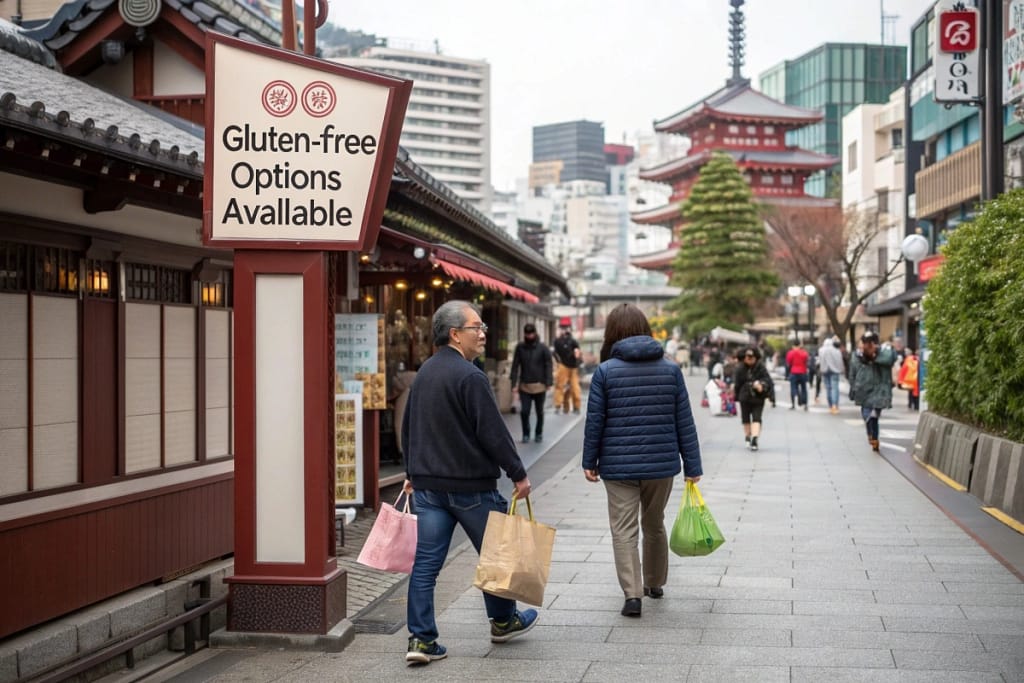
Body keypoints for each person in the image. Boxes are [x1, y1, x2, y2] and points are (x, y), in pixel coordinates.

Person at [401, 300, 538, 666]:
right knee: (495, 555)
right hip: (470, 487)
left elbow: (408, 427)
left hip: (429, 489)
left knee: (426, 564)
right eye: (476, 327)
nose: (483, 333)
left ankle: (421, 639)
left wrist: (411, 473)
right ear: (454, 334)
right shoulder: (470, 376)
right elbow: (493, 432)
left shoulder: (425, 373)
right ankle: (504, 621)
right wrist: (518, 473)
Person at [581, 304, 702, 619]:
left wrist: (589, 460)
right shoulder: (670, 369)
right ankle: (655, 582)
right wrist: (693, 466)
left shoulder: (605, 371)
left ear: (612, 334)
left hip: (617, 465)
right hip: (661, 464)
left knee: (623, 529)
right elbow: (684, 421)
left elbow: (595, 421)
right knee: (654, 523)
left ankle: (632, 596)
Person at [849, 330, 896, 453]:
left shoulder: (884, 354)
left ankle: (875, 438)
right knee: (867, 415)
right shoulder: (858, 356)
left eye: (871, 343)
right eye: (865, 343)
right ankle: (871, 435)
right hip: (864, 390)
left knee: (874, 415)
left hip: (879, 390)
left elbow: (891, 358)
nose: (868, 346)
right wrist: (853, 387)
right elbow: (853, 372)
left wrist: (876, 354)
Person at [510, 323, 553, 443]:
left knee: (540, 411)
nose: (529, 336)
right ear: (524, 334)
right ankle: (526, 433)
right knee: (524, 411)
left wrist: (549, 381)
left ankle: (538, 433)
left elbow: (548, 365)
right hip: (524, 385)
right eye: (527, 334)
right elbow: (515, 366)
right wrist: (513, 384)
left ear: (535, 333)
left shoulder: (543, 348)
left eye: (531, 333)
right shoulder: (520, 347)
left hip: (540, 385)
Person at [733, 346, 775, 451]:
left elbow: (768, 381)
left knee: (757, 418)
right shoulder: (740, 368)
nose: (750, 359)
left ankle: (754, 439)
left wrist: (762, 385)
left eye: (752, 357)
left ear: (756, 357)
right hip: (744, 397)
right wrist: (736, 397)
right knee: (745, 418)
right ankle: (748, 436)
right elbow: (737, 384)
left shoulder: (761, 368)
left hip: (758, 397)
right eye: (748, 357)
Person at [552, 323, 582, 414]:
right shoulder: (558, 341)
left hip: (572, 367)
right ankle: (559, 406)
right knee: (561, 386)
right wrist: (559, 362)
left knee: (573, 387)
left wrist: (577, 356)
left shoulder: (572, 341)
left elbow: (577, 352)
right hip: (564, 365)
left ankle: (573, 407)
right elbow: (555, 353)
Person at [817, 335, 846, 414]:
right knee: (835, 388)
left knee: (828, 389)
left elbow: (819, 361)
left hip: (825, 370)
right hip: (835, 371)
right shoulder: (836, 350)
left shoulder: (821, 350)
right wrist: (841, 369)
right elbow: (840, 361)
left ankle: (830, 405)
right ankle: (834, 405)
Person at [785, 339, 810, 410]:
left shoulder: (790, 353)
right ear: (800, 345)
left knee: (793, 387)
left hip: (793, 371)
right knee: (804, 388)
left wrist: (787, 373)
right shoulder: (804, 353)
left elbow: (788, 363)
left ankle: (793, 403)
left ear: (793, 345)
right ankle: (805, 404)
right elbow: (806, 361)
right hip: (802, 372)